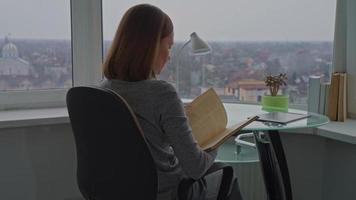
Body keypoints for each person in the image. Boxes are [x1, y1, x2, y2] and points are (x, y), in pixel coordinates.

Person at [99, 4, 242, 200]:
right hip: (165, 192)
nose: (169, 55)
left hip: (117, 190)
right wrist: (216, 140)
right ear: (151, 47)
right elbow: (196, 168)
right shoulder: (162, 93)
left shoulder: (104, 89)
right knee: (227, 173)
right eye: (169, 46)